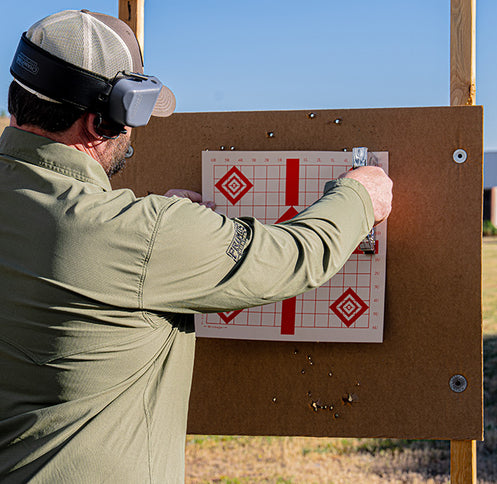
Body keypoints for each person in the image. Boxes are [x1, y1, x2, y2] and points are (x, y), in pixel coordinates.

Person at [0, 9, 393, 483]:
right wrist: (358, 197)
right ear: (99, 124)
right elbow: (292, 256)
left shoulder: (124, 231)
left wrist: (157, 230)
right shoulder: (137, 235)